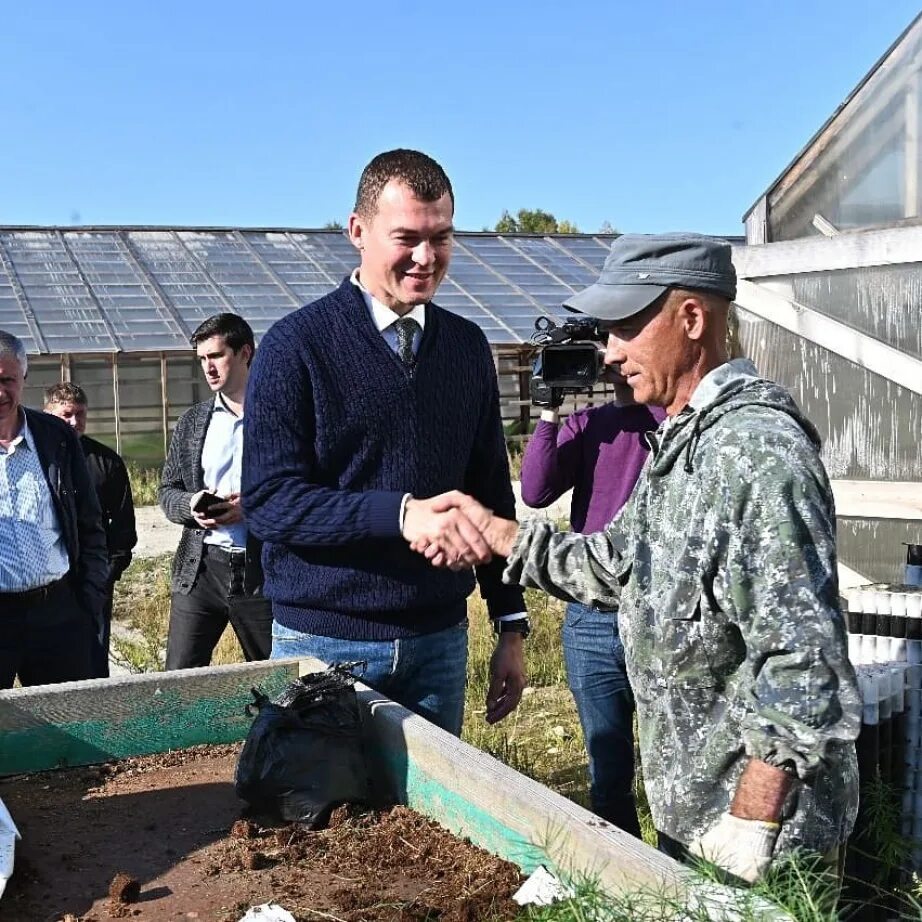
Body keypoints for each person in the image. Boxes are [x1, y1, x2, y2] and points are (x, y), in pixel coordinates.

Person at [418, 234, 861, 883]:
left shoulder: (756, 456)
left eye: (627, 327)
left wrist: (751, 825)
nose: (611, 352)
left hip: (763, 844)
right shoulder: (683, 444)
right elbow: (617, 568)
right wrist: (498, 535)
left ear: (691, 319)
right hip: (700, 821)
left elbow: (806, 663)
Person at [241, 148, 528, 735]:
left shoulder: (467, 348)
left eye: (442, 237)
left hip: (439, 643)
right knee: (317, 817)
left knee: (428, 822)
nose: (426, 258)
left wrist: (511, 624)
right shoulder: (296, 347)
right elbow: (270, 501)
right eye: (407, 238)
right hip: (323, 639)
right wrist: (398, 514)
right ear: (358, 231)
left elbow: (491, 490)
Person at [520, 377, 665, 836]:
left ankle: (681, 883)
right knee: (607, 770)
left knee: (673, 772)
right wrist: (548, 413)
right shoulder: (588, 425)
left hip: (661, 615)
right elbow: (536, 491)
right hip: (592, 617)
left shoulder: (671, 424)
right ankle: (625, 883)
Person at [159, 313, 273, 669]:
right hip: (202, 567)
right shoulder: (193, 421)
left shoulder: (279, 414)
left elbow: (309, 488)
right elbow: (168, 490)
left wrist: (251, 508)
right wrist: (191, 505)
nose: (208, 368)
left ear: (244, 354)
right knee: (178, 678)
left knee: (275, 675)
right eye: (202, 359)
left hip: (262, 572)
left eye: (216, 356)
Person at [0, 330, 108, 687]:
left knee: (66, 722)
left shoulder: (54, 437)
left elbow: (89, 522)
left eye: (7, 380)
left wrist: (87, 598)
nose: (0, 392)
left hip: (56, 612)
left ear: (24, 377)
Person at [44, 382, 137, 678]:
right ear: (47, 414)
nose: (74, 422)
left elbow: (123, 531)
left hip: (92, 581)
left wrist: (103, 577)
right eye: (66, 414)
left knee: (93, 662)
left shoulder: (105, 463)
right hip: (42, 585)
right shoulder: (36, 459)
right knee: (46, 666)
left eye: (80, 414)